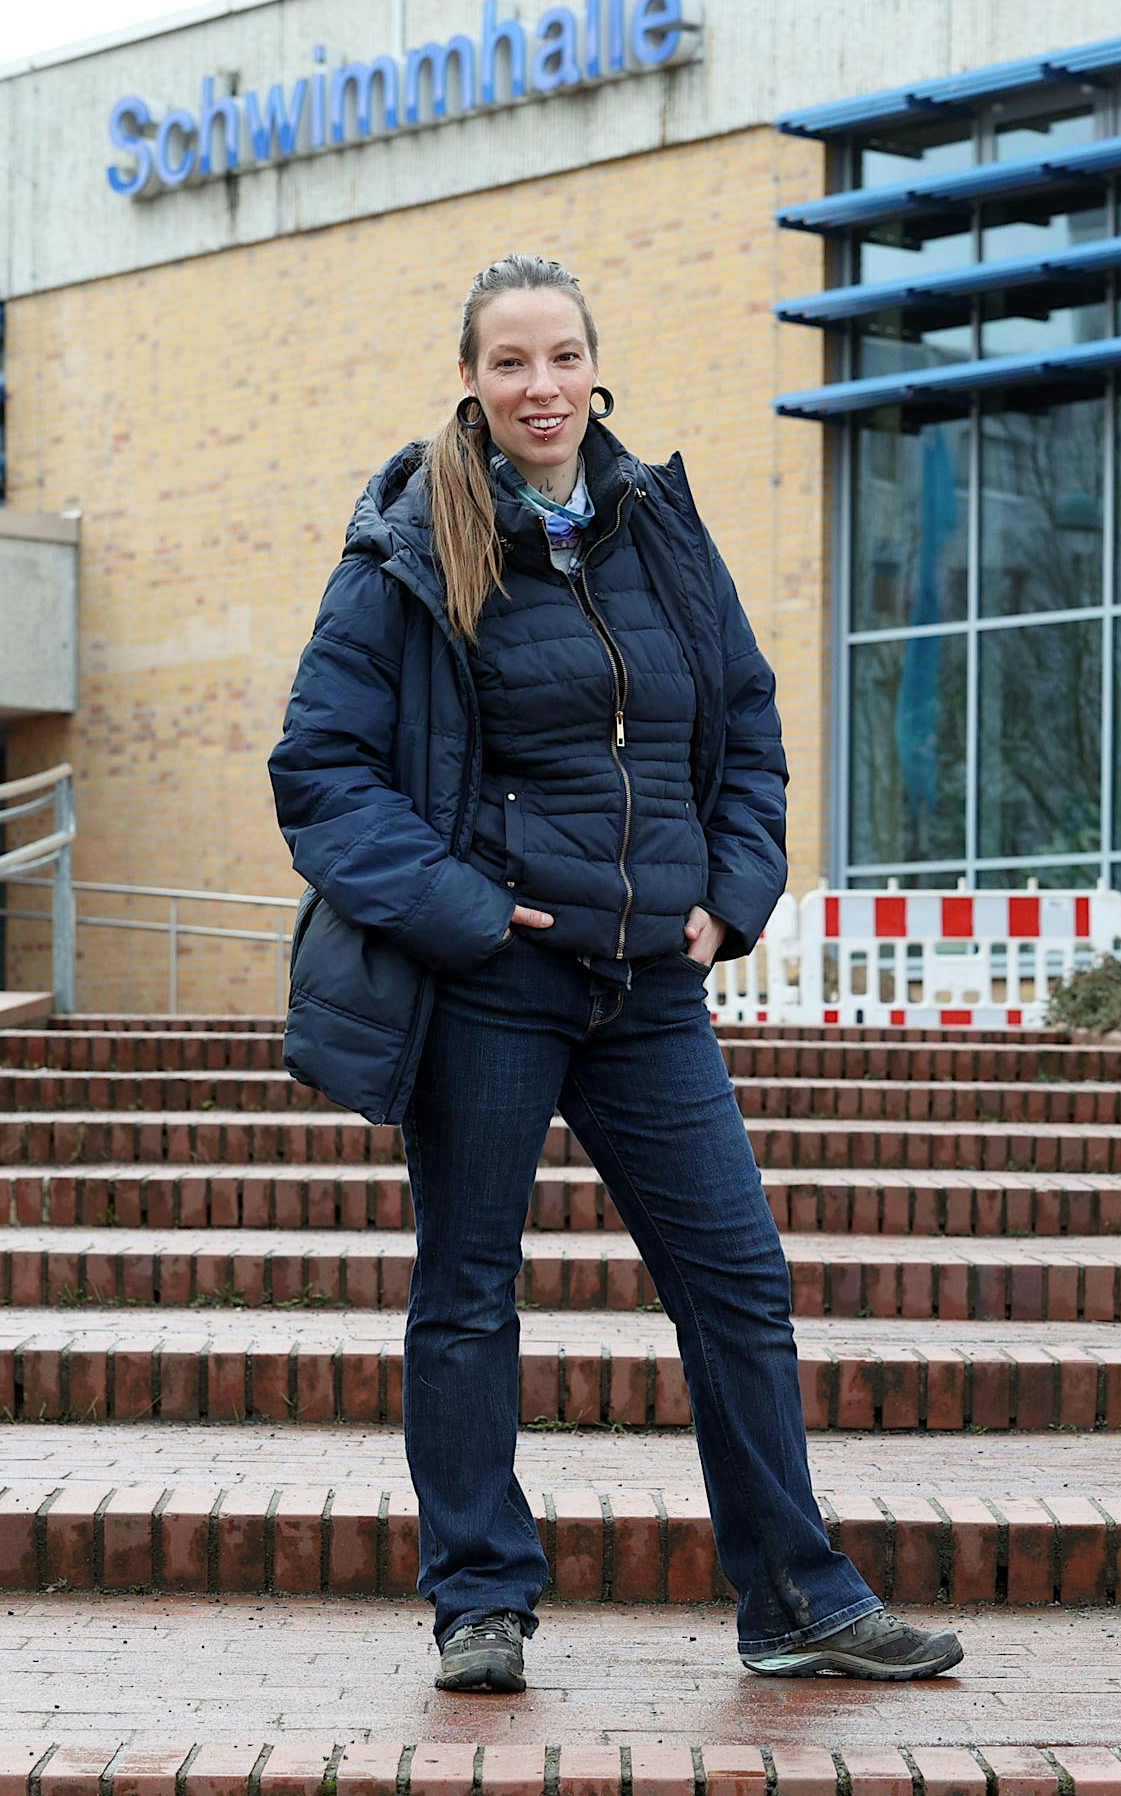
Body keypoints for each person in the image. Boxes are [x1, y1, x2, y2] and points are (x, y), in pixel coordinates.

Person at [269, 253, 963, 1693]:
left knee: (738, 1284)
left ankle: (796, 1598)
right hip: (493, 985)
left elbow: (751, 724)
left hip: (652, 988)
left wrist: (735, 893)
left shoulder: (659, 527)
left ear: (597, 370)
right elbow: (321, 773)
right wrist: (467, 912)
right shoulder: (405, 546)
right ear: (469, 377)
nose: (541, 387)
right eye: (510, 362)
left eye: (563, 357)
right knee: (468, 1290)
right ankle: (481, 1602)